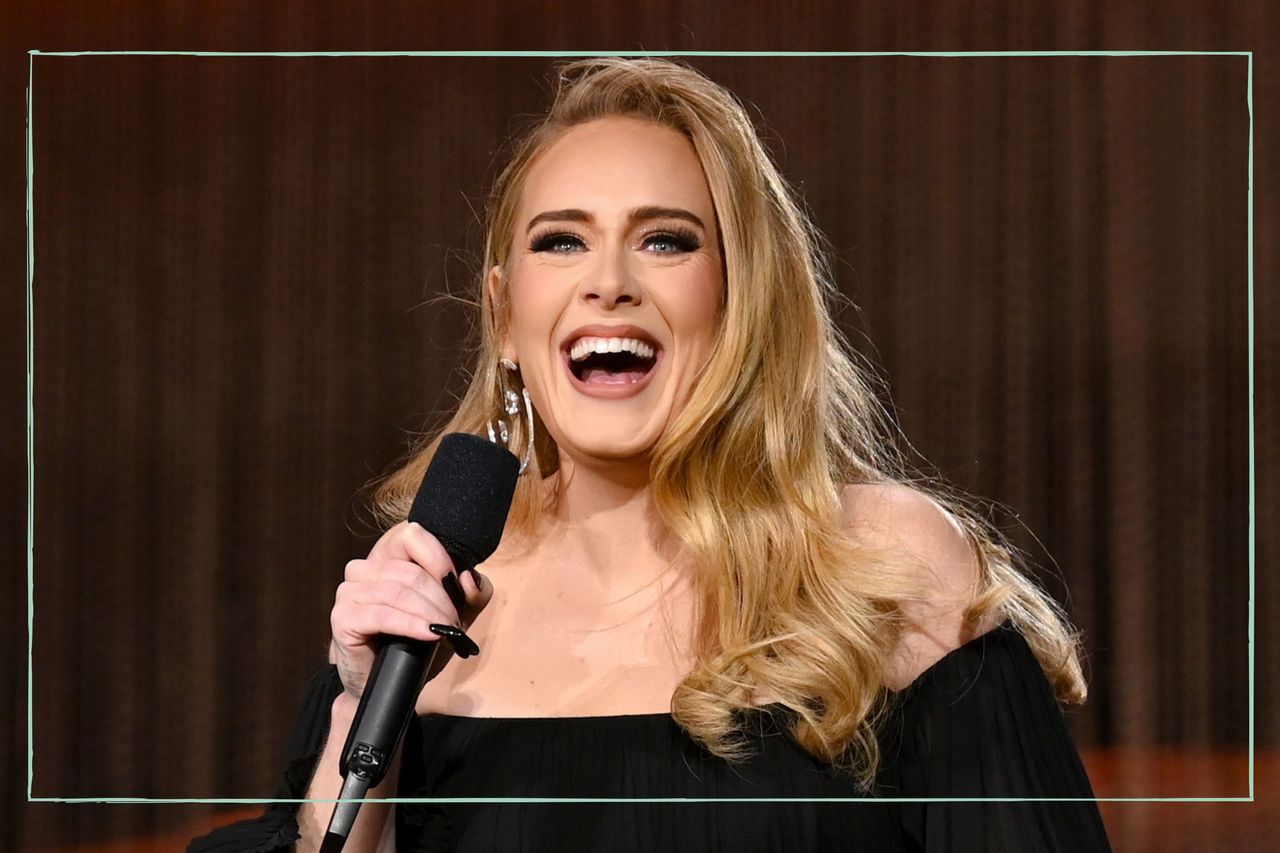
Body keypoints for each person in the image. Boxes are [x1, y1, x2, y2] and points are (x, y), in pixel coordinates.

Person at [191, 57, 1112, 852]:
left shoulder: (884, 570)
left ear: (740, 294)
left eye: (664, 240)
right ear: (505, 314)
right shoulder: (421, 622)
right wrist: (359, 710)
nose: (609, 283)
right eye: (563, 242)